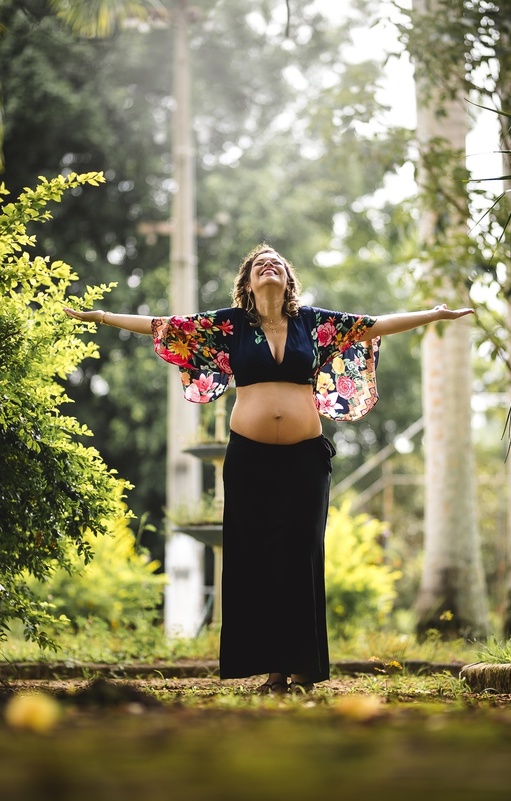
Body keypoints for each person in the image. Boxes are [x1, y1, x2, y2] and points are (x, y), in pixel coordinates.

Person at [65, 243, 473, 694]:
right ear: (248, 282)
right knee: (255, 559)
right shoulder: (230, 325)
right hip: (249, 460)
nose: (269, 265)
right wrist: (101, 317)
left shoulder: (313, 324)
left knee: (301, 557)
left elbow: (373, 325)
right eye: (260, 263)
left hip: (304, 460)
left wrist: (432, 315)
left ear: (287, 280)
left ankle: (303, 669)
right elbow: (162, 327)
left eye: (277, 261)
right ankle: (273, 671)